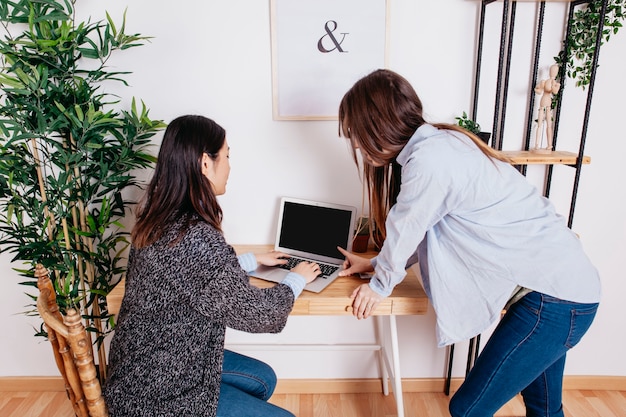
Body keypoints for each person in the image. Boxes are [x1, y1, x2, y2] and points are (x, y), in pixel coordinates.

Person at [336, 69, 600, 417]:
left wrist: (380, 286)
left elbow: (408, 225)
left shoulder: (430, 160)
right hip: (564, 293)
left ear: (378, 124)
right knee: (545, 408)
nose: (355, 144)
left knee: (468, 409)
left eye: (356, 133)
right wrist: (372, 265)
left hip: (556, 299)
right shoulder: (439, 146)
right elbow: (423, 229)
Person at [103, 115, 321, 417]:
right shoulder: (196, 238)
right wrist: (295, 279)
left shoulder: (158, 215)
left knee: (263, 380)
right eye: (227, 155)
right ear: (206, 163)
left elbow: (188, 277)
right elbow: (260, 314)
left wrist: (249, 261)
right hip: (160, 397)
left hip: (142, 368)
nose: (229, 166)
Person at [533, 64, 561, 152]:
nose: (553, 73)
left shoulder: (555, 83)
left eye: (555, 71)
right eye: (552, 71)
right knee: (540, 124)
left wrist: (555, 86)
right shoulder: (544, 82)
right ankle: (537, 144)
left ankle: (549, 145)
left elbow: (555, 92)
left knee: (549, 124)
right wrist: (537, 88)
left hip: (548, 103)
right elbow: (538, 91)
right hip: (543, 102)